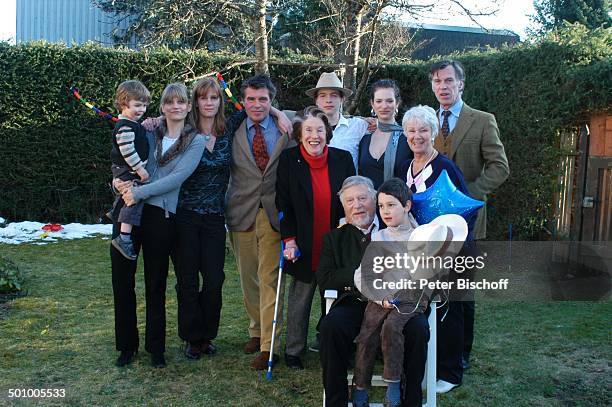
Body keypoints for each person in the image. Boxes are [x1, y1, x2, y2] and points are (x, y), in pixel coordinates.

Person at [111, 83, 205, 368]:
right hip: (127, 209)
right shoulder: (147, 129)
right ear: (162, 106)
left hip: (160, 215)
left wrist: (138, 191)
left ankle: (156, 349)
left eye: (181, 102)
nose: (175, 107)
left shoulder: (195, 140)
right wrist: (116, 181)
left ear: (189, 107)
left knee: (156, 283)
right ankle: (127, 346)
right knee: (122, 281)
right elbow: (121, 155)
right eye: (169, 102)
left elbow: (176, 178)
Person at [317, 176, 430, 407]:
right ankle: (337, 401)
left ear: (374, 200)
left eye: (362, 198)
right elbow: (326, 278)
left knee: (418, 328)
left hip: (399, 304)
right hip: (354, 303)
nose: (357, 205)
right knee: (331, 327)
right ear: (343, 207)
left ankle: (410, 400)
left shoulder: (398, 228)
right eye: (350, 201)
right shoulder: (334, 238)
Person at [430, 59, 509, 377]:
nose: (443, 86)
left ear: (461, 84)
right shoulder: (427, 121)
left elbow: (500, 167)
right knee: (433, 287)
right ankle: (436, 349)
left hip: (469, 221)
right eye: (437, 81)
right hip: (431, 221)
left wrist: (469, 196)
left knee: (461, 289)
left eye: (448, 80)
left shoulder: (482, 120)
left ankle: (461, 354)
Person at [400, 104, 476, 393]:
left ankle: (451, 372)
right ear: (404, 133)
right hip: (423, 251)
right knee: (430, 308)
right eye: (411, 130)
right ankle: (428, 363)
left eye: (423, 130)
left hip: (452, 250)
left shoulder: (445, 167)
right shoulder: (405, 166)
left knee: (450, 309)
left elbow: (466, 210)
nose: (417, 136)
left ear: (433, 133)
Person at [275, 106, 355, 370]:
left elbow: (350, 201)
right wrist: (289, 240)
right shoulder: (289, 160)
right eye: (308, 130)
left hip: (334, 243)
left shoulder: (342, 159)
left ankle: (330, 344)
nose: (314, 136)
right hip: (303, 242)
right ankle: (294, 349)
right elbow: (282, 202)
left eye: (319, 130)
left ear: (327, 133)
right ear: (300, 134)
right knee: (300, 299)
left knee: (335, 298)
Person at [225, 74, 295, 370]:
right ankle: (256, 329)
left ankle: (268, 345)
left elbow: (321, 117)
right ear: (243, 101)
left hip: (273, 212)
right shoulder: (231, 128)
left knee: (269, 278)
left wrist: (279, 114)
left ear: (272, 100)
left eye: (263, 99)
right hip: (240, 210)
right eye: (251, 99)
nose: (257, 105)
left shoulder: (288, 126)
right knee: (248, 278)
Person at [109, 80, 151, 260]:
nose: (141, 110)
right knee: (133, 200)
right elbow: (128, 152)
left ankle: (114, 210)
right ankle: (124, 237)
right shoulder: (126, 126)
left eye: (144, 105)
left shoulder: (131, 123)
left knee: (127, 196)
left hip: (126, 169)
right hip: (128, 170)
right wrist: (140, 169)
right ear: (124, 103)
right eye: (137, 105)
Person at [305, 72, 369, 168]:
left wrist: (375, 122)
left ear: (342, 99)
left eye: (334, 95)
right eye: (323, 95)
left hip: (348, 182)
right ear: (316, 100)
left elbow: (383, 128)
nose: (328, 100)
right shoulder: (305, 129)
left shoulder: (358, 126)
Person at [357, 79, 413, 190]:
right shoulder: (364, 139)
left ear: (397, 103)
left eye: (389, 101)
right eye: (379, 101)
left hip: (398, 203)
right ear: (372, 104)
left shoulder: (408, 138)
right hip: (367, 204)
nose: (384, 106)